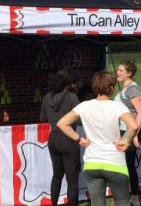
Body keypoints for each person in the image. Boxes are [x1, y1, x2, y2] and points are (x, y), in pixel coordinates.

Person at [57, 71, 139, 206]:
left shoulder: (84, 106)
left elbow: (62, 123)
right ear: (111, 87)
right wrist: (126, 140)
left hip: (92, 162)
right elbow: (134, 126)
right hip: (114, 162)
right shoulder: (117, 106)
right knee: (122, 202)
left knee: (97, 203)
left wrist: (79, 139)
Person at [40, 69, 80, 206]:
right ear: (68, 82)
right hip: (69, 139)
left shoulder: (47, 97)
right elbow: (80, 120)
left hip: (53, 139)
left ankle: (54, 204)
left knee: (57, 176)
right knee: (72, 178)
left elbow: (42, 118)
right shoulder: (72, 97)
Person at [114, 60, 141, 206]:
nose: (117, 72)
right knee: (123, 165)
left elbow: (140, 113)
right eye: (118, 70)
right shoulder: (124, 89)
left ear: (129, 73)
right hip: (123, 131)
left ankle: (133, 198)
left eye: (121, 70)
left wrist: (135, 135)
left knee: (128, 165)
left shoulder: (132, 89)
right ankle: (126, 197)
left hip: (130, 132)